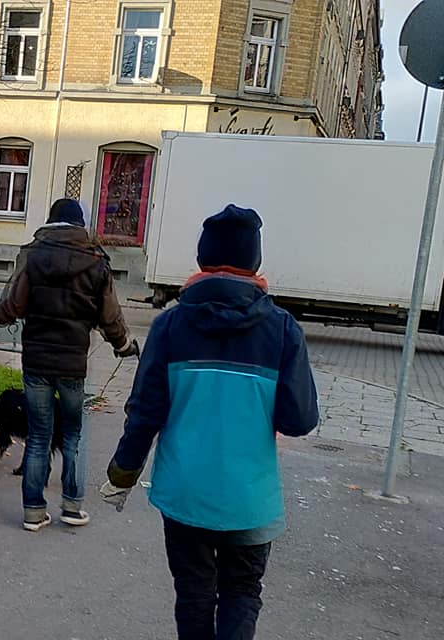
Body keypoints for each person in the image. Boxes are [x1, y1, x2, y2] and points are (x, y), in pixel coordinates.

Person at [99, 205, 319, 640]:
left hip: (185, 495)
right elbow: (299, 421)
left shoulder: (170, 327)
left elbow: (145, 412)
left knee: (195, 594)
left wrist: (121, 475)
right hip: (249, 498)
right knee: (241, 591)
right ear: (254, 261)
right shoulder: (281, 330)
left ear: (202, 259)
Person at [0, 198, 138, 531]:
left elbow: (12, 307)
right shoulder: (97, 261)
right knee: (71, 436)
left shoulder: (34, 256)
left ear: (51, 223)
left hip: (37, 364)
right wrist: (124, 345)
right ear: (79, 224)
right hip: (73, 367)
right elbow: (110, 316)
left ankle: (33, 511)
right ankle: (72, 508)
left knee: (40, 437)